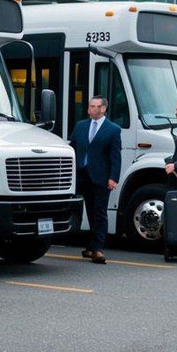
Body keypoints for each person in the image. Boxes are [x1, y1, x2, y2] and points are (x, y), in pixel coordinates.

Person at [71, 96, 122, 264]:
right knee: (89, 211)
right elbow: (73, 148)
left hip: (101, 177)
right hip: (82, 175)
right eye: (90, 106)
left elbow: (115, 157)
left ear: (103, 109)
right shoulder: (80, 126)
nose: (91, 109)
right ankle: (91, 246)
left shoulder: (113, 129)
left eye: (95, 106)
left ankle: (98, 249)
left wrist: (113, 178)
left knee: (100, 212)